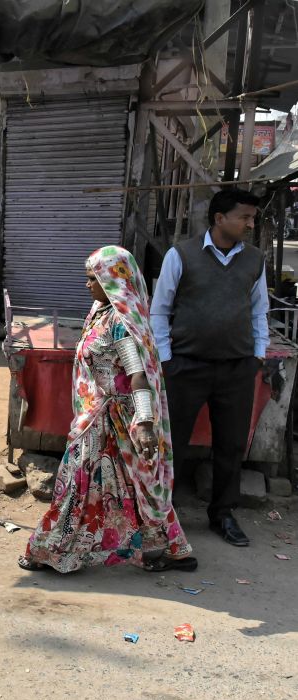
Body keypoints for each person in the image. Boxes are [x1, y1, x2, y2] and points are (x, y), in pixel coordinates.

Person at [19, 245, 195, 574]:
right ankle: (168, 549)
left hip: (112, 420)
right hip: (97, 417)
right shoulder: (99, 312)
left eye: (93, 278)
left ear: (113, 280)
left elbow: (138, 376)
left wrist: (143, 423)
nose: (87, 284)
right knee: (129, 484)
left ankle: (50, 550)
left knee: (77, 481)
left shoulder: (121, 324)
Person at [150, 188, 267, 547]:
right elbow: (160, 309)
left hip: (236, 369)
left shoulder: (254, 260)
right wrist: (167, 359)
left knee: (231, 445)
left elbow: (259, 309)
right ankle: (162, 516)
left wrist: (257, 355)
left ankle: (222, 514)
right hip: (186, 367)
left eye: (252, 218)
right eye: (244, 217)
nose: (250, 224)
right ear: (220, 219)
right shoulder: (180, 255)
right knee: (174, 443)